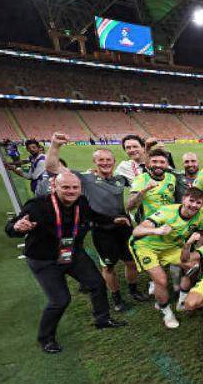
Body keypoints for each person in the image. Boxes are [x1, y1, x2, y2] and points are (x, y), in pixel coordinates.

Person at [5, 171, 127, 353]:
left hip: (72, 253)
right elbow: (11, 227)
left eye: (75, 187)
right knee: (60, 300)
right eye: (66, 187)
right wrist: (17, 227)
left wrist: (113, 219)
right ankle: (46, 338)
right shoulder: (37, 206)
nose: (71, 191)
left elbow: (93, 215)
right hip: (44, 260)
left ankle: (102, 319)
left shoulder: (81, 202)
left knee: (97, 283)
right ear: (54, 187)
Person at [44, 133, 147, 311]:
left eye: (108, 160)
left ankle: (133, 290)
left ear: (114, 162)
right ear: (94, 162)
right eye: (101, 160)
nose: (105, 163)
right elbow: (53, 167)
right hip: (102, 229)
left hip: (124, 227)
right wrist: (55, 145)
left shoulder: (119, 179)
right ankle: (116, 298)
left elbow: (142, 175)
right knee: (108, 266)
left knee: (131, 262)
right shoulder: (85, 178)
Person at [129, 187, 203, 329]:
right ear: (183, 199)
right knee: (161, 280)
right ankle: (166, 311)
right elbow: (137, 231)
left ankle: (182, 300)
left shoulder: (201, 216)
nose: (194, 205)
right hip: (146, 246)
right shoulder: (167, 212)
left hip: (170, 247)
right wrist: (157, 230)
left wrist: (199, 246)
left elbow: (202, 232)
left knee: (194, 265)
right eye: (191, 201)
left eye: (198, 203)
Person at [126, 149, 179, 223]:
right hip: (148, 225)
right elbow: (129, 206)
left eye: (162, 162)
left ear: (167, 164)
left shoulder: (172, 178)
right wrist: (144, 190)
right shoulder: (141, 179)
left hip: (169, 223)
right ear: (149, 164)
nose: (158, 165)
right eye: (154, 161)